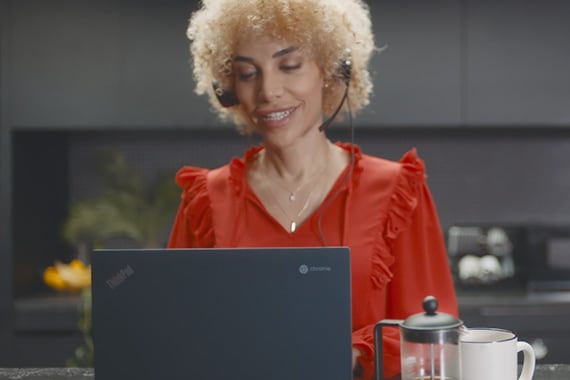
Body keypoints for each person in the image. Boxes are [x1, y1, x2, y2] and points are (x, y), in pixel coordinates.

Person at [168, 0, 458, 378]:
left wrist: (353, 352)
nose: (269, 90)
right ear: (228, 88)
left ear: (333, 70)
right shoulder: (205, 199)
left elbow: (436, 341)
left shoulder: (396, 192)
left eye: (289, 65)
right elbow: (173, 333)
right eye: (246, 73)